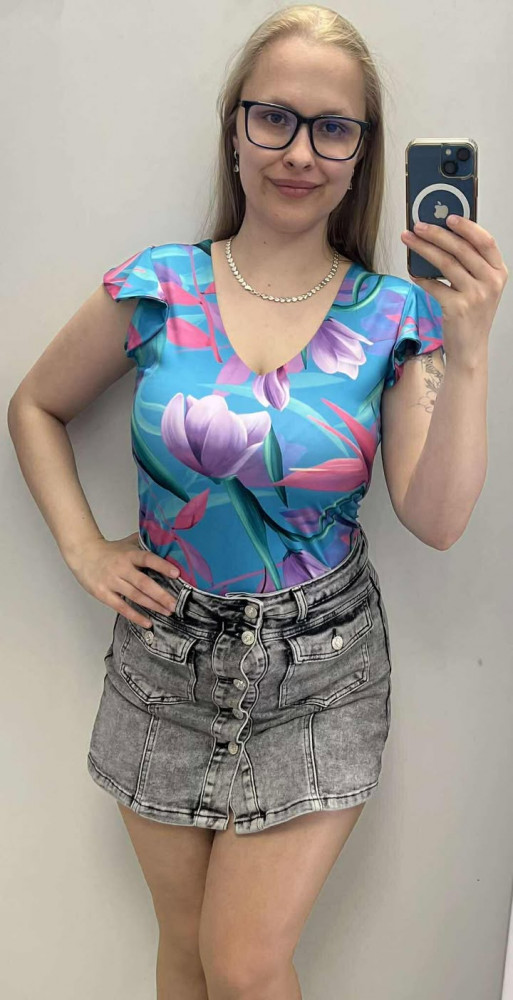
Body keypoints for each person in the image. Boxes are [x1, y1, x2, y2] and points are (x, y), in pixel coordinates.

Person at [8, 4, 505, 998]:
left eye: (333, 128)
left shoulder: (393, 313)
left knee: (242, 966)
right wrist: (84, 547)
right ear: (234, 128)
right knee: (185, 950)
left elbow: (438, 519)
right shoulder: (158, 284)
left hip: (321, 667)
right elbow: (35, 406)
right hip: (163, 657)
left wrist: (471, 349)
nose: (300, 151)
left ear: (362, 155)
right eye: (274, 116)